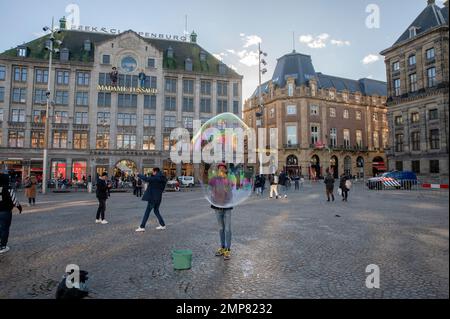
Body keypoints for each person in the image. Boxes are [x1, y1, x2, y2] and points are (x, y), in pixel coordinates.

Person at [209, 163, 233, 261]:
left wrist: (226, 181)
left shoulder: (229, 179)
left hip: (227, 206)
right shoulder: (215, 179)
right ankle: (222, 247)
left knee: (227, 229)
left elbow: (232, 191)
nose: (221, 170)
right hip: (217, 206)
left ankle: (228, 249)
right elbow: (209, 184)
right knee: (221, 228)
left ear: (226, 170)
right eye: (220, 168)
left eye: (223, 168)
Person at [135, 168, 167, 232]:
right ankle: (162, 225)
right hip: (159, 198)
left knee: (147, 212)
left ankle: (142, 226)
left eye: (153, 172)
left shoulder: (156, 178)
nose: (152, 173)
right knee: (156, 211)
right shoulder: (163, 178)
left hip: (153, 198)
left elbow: (146, 179)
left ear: (155, 172)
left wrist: (138, 174)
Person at [0, 173, 22, 254]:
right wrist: (19, 207)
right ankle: (3, 246)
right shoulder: (8, 188)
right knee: (5, 229)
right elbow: (14, 200)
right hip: (5, 211)